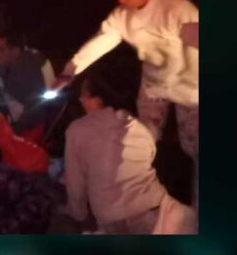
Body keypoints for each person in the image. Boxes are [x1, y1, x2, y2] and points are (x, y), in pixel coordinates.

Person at [52, 0, 199, 186]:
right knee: (142, 139)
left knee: (195, 146)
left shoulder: (177, 9)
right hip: (154, 85)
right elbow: (101, 41)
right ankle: (134, 192)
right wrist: (69, 71)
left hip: (190, 87)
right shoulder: (121, 16)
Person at [62, 70, 196, 234]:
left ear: (98, 98)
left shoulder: (77, 129)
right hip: (153, 210)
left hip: (111, 218)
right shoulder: (138, 127)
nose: (81, 99)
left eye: (84, 95)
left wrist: (79, 216)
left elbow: (75, 184)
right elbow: (149, 156)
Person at [0, 29, 56, 137]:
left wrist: (14, 132)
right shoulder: (30, 56)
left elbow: (35, 106)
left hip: (33, 130)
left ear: (15, 50)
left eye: (1, 50)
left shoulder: (24, 66)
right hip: (39, 121)